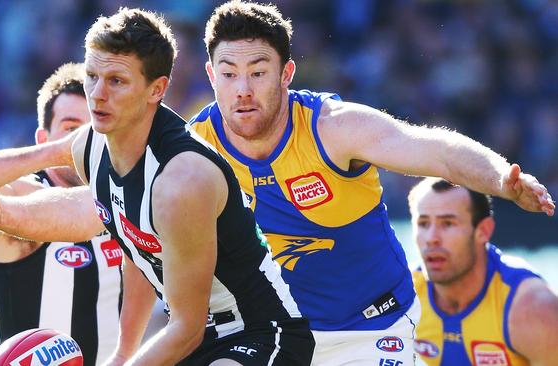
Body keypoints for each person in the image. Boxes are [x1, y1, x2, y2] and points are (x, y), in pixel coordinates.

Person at [189, 1, 555, 365]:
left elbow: (438, 151)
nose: (242, 89)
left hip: (372, 329)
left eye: (258, 72)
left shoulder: (333, 128)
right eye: (229, 73)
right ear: (211, 75)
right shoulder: (195, 149)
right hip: (274, 332)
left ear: (286, 74)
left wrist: (502, 179)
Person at [0, 8, 315, 366]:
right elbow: (115, 233)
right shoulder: (92, 144)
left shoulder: (181, 181)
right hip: (195, 337)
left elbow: (186, 329)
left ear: (157, 90)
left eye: (117, 81)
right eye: (92, 76)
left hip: (259, 333)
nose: (97, 94)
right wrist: (0, 213)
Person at [0, 63, 167, 365]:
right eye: (71, 129)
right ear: (43, 139)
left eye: (95, 127)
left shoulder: (134, 196)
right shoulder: (22, 195)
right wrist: (59, 151)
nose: (85, 139)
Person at [408, 178, 558, 366]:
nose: (431, 238)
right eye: (423, 224)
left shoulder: (533, 308)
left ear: (483, 231)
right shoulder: (404, 297)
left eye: (447, 224)